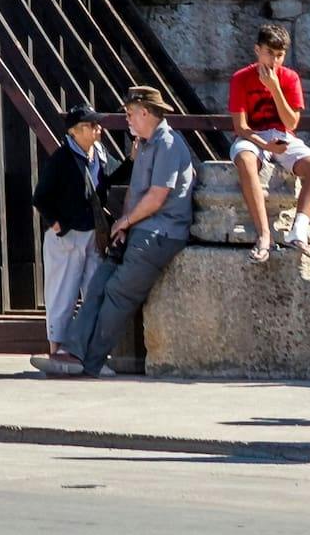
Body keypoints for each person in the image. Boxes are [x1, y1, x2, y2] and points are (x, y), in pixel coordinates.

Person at [43, 82, 196, 382]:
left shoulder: (167, 144)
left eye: (129, 113)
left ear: (144, 112)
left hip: (160, 234)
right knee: (99, 282)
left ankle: (91, 362)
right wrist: (124, 224)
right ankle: (71, 352)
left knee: (117, 292)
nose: (126, 118)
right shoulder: (144, 145)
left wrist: (125, 222)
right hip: (138, 229)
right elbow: (134, 195)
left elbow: (156, 197)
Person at [228, 24, 310, 254]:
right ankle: (264, 235)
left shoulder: (290, 78)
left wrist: (275, 88)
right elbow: (240, 127)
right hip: (253, 136)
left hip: (282, 135)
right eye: (269, 53)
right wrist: (265, 146)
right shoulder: (241, 78)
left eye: (279, 55)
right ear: (257, 50)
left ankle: (298, 231)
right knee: (245, 159)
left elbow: (291, 123)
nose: (274, 60)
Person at [34, 105, 113, 340]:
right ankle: (56, 349)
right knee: (62, 294)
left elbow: (110, 178)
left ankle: (87, 349)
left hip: (90, 232)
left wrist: (131, 160)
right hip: (67, 234)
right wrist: (58, 225)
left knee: (94, 290)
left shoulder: (99, 153)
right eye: (92, 125)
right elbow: (40, 197)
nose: (98, 129)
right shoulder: (62, 158)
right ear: (75, 132)